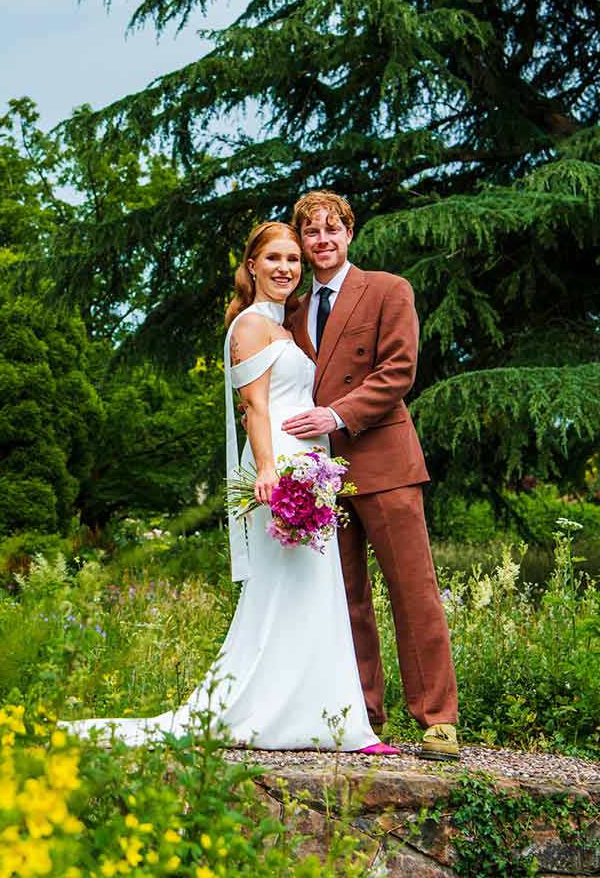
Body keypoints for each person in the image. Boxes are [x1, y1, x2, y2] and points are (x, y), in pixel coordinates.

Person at [61, 222, 396, 752]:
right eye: (274, 259)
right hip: (280, 469)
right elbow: (255, 408)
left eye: (293, 259)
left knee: (316, 591)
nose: (286, 268)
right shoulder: (249, 326)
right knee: (287, 590)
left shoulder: (285, 327)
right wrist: (268, 470)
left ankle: (331, 719)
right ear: (253, 266)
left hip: (312, 465)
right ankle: (283, 715)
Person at [279, 190, 461, 761]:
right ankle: (364, 716)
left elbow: (399, 371)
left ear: (349, 233)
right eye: (311, 233)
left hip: (384, 464)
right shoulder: (292, 309)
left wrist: (337, 414)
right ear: (303, 242)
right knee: (344, 597)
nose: (322, 240)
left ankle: (437, 720)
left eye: (333, 229)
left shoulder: (387, 289)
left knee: (413, 592)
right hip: (320, 475)